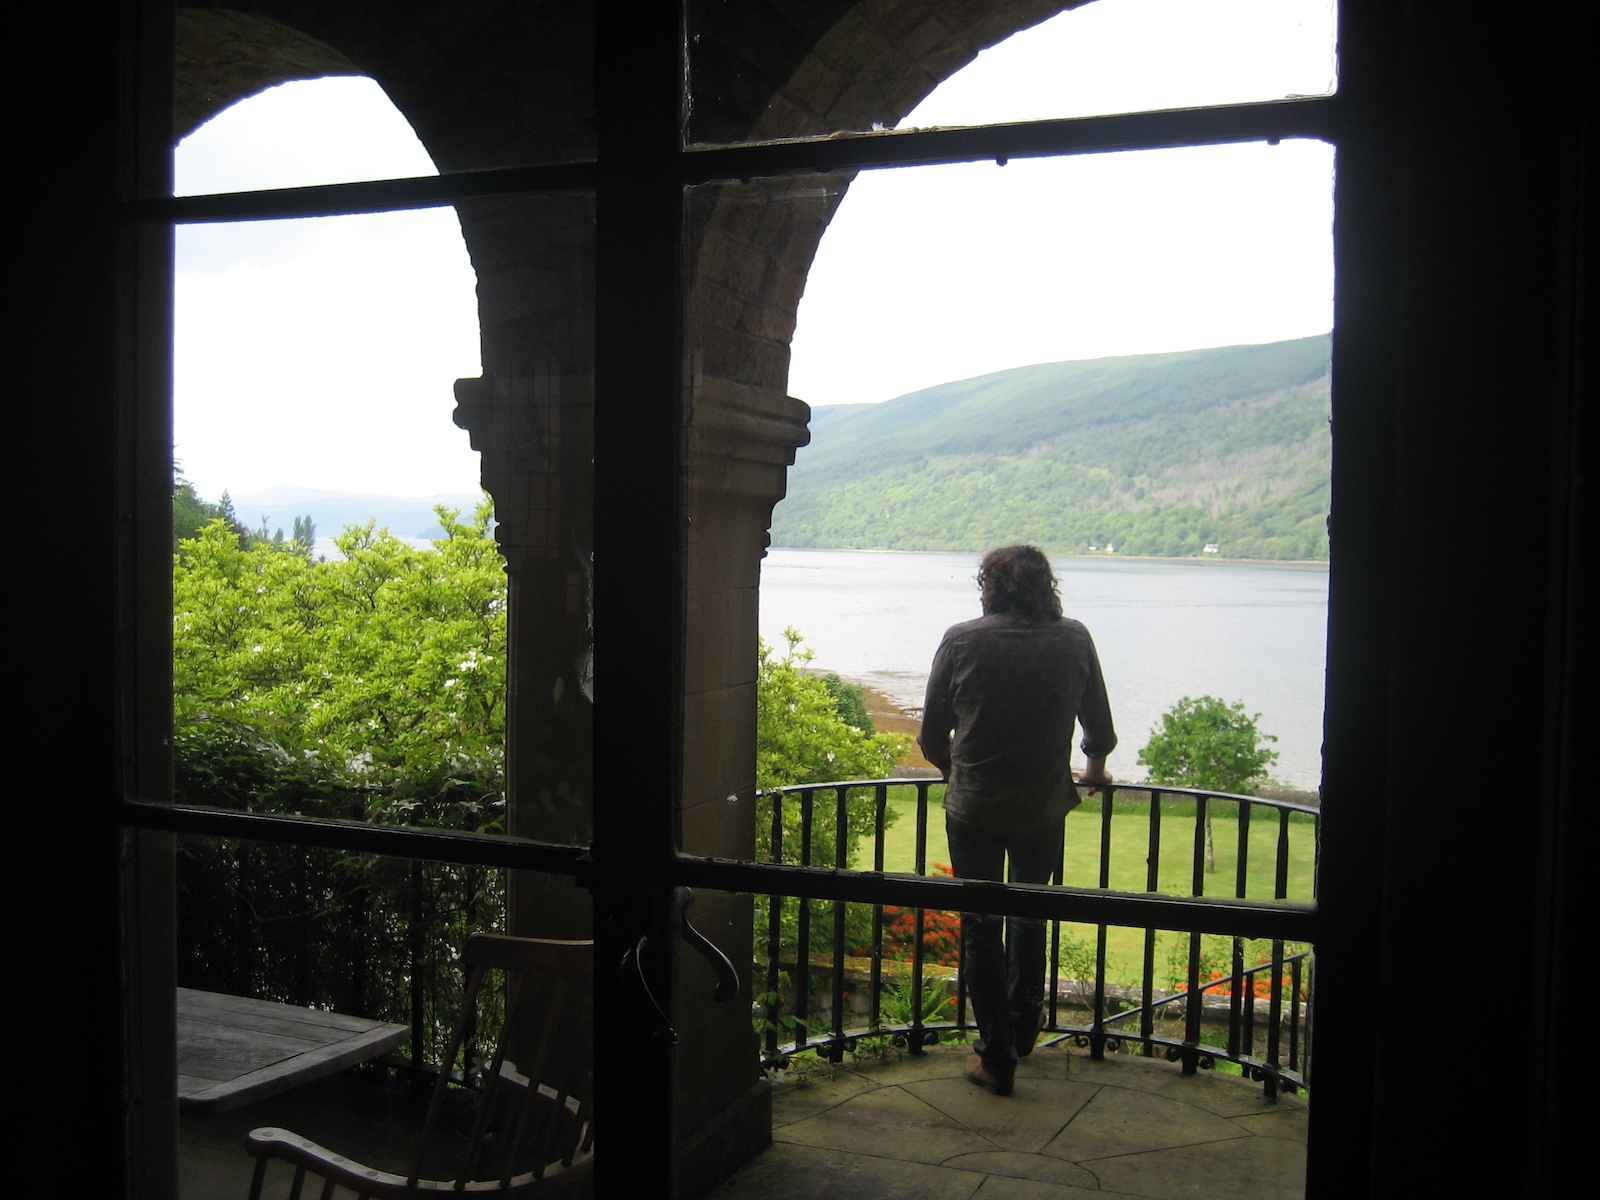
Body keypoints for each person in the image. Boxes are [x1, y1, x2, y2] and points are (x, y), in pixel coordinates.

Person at [918, 544, 1116, 1096]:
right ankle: (1025, 1027)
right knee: (1031, 914)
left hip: (974, 809)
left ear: (990, 586)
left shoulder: (962, 640)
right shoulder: (1073, 637)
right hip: (1043, 808)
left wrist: (959, 773)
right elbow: (1097, 725)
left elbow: (932, 737)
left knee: (981, 926)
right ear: (1045, 586)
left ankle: (996, 1056)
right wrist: (1094, 771)